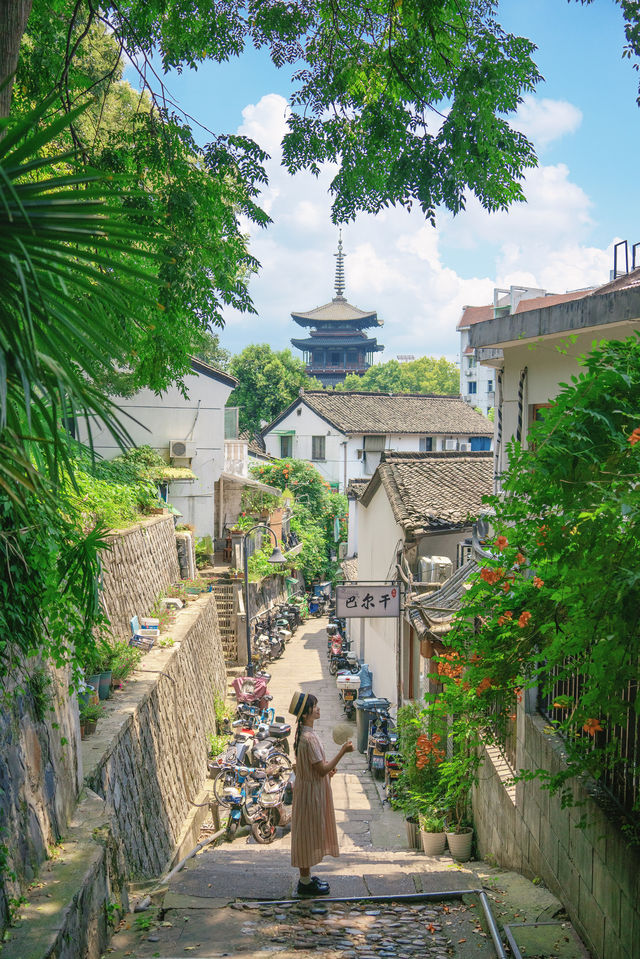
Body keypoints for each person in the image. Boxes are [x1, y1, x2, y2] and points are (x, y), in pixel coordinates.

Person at [289, 691, 354, 897]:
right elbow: (321, 769)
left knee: (306, 833)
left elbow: (315, 768)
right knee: (307, 834)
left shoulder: (304, 735)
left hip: (309, 789)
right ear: (307, 712)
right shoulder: (309, 738)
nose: (318, 709)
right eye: (315, 706)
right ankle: (305, 883)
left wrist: (327, 772)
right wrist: (342, 752)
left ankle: (306, 878)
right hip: (311, 794)